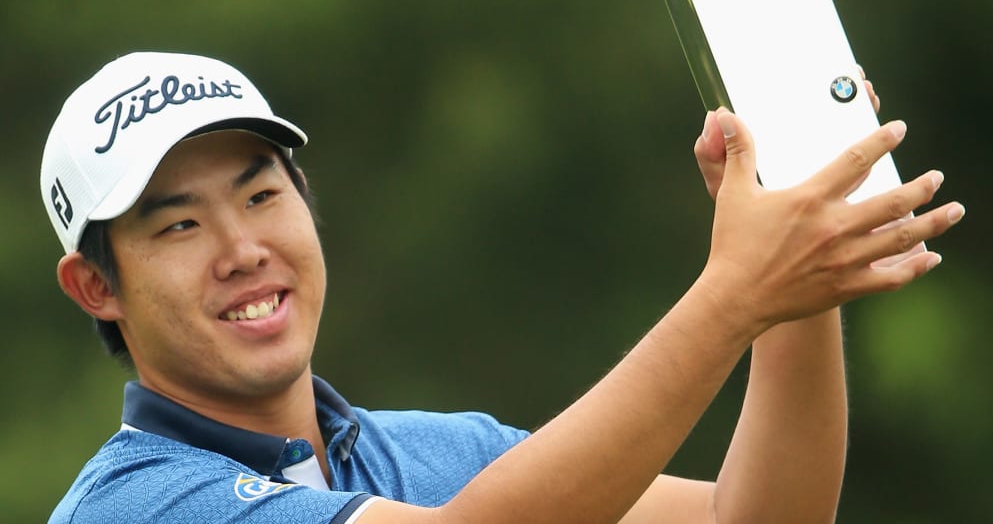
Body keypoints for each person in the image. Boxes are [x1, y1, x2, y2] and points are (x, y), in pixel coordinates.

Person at [42, 52, 963, 524]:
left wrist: (793, 271)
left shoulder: (440, 457)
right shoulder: (137, 503)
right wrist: (735, 295)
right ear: (96, 287)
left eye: (259, 193)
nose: (242, 248)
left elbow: (752, 519)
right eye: (178, 225)